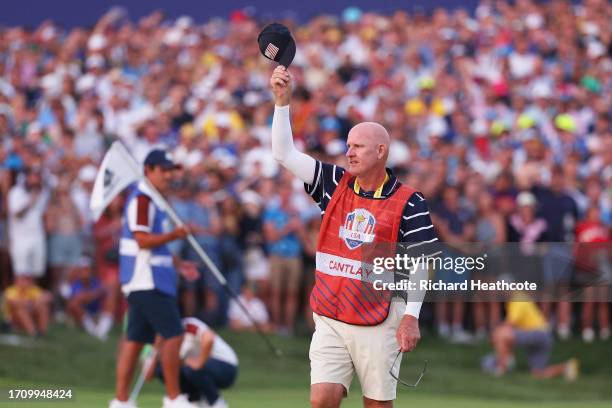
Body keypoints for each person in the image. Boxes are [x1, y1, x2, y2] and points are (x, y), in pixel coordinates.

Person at [270, 65, 438, 407]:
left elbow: (424, 261)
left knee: (376, 404)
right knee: (322, 401)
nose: (349, 152)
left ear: (381, 152)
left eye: (359, 146)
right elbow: (283, 154)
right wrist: (281, 102)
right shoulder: (332, 181)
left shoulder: (409, 200)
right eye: (348, 145)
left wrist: (411, 316)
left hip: (379, 318)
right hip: (330, 315)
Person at [110, 149, 200, 408]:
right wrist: (176, 235)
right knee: (174, 334)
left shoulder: (153, 200)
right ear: (148, 169)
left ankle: (121, 401)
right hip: (147, 279)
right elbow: (142, 240)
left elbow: (154, 245)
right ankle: (174, 399)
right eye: (164, 170)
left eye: (172, 170)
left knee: (136, 338)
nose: (170, 175)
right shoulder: (143, 200)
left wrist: (179, 265)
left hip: (149, 278)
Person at [145, 317, 238, 408]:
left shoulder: (189, 324)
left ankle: (216, 402)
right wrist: (156, 350)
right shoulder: (163, 341)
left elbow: (209, 339)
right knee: (164, 369)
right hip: (201, 370)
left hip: (226, 367)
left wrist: (199, 362)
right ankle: (194, 400)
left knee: (191, 369)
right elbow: (148, 376)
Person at [484, 296, 579, 381]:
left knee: (501, 334)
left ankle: (501, 368)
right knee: (538, 374)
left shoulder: (517, 299)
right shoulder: (515, 299)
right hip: (544, 336)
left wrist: (494, 335)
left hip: (537, 334)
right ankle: (566, 367)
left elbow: (509, 325)